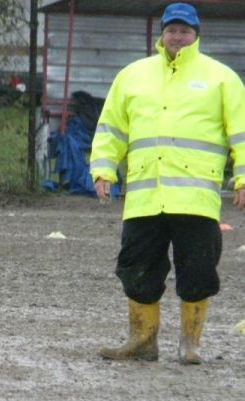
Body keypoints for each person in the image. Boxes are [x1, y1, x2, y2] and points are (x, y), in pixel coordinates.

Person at [89, 2, 245, 365]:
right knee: (137, 268)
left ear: (196, 35)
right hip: (145, 198)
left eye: (185, 31)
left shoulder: (221, 78)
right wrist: (103, 170)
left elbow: (241, 133)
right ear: (162, 34)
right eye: (171, 30)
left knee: (198, 270)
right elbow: (110, 127)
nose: (177, 37)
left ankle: (190, 344)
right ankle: (142, 340)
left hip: (196, 199)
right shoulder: (132, 75)